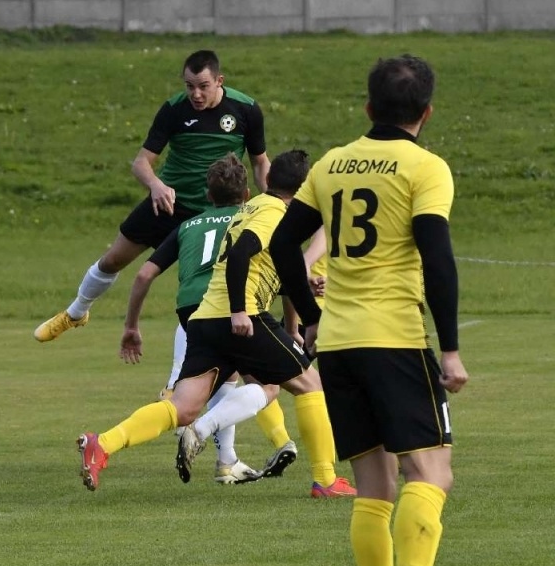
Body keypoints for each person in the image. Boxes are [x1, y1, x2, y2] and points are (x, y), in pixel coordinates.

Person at [268, 54, 468, 566]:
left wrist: (307, 316)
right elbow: (438, 258)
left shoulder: (331, 164)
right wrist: (449, 349)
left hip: (339, 344)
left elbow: (284, 246)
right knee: (431, 475)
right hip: (396, 340)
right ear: (426, 113)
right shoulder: (424, 167)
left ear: (367, 108)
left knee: (374, 487)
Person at [77, 151, 352, 498]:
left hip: (205, 319)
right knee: (310, 384)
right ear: (302, 189)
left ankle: (102, 444)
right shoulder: (275, 212)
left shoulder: (251, 210)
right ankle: (326, 480)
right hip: (240, 315)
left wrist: (302, 292)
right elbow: (240, 255)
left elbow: (270, 266)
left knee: (182, 407)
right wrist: (240, 310)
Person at [35, 50, 268, 342]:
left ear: (219, 81)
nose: (195, 93)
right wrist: (156, 185)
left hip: (216, 213)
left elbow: (260, 162)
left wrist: (270, 201)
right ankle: (76, 312)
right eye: (189, 85)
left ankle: (180, 382)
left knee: (201, 294)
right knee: (112, 261)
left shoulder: (245, 109)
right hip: (168, 204)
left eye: (203, 86)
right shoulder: (174, 109)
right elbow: (141, 163)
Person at [118, 155, 297, 484]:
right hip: (231, 303)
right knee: (270, 380)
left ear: (207, 195)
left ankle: (226, 461)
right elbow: (283, 278)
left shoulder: (188, 225)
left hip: (190, 312)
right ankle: (270, 445)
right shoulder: (253, 215)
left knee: (222, 380)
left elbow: (144, 275)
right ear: (246, 193)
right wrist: (293, 327)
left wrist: (131, 325)